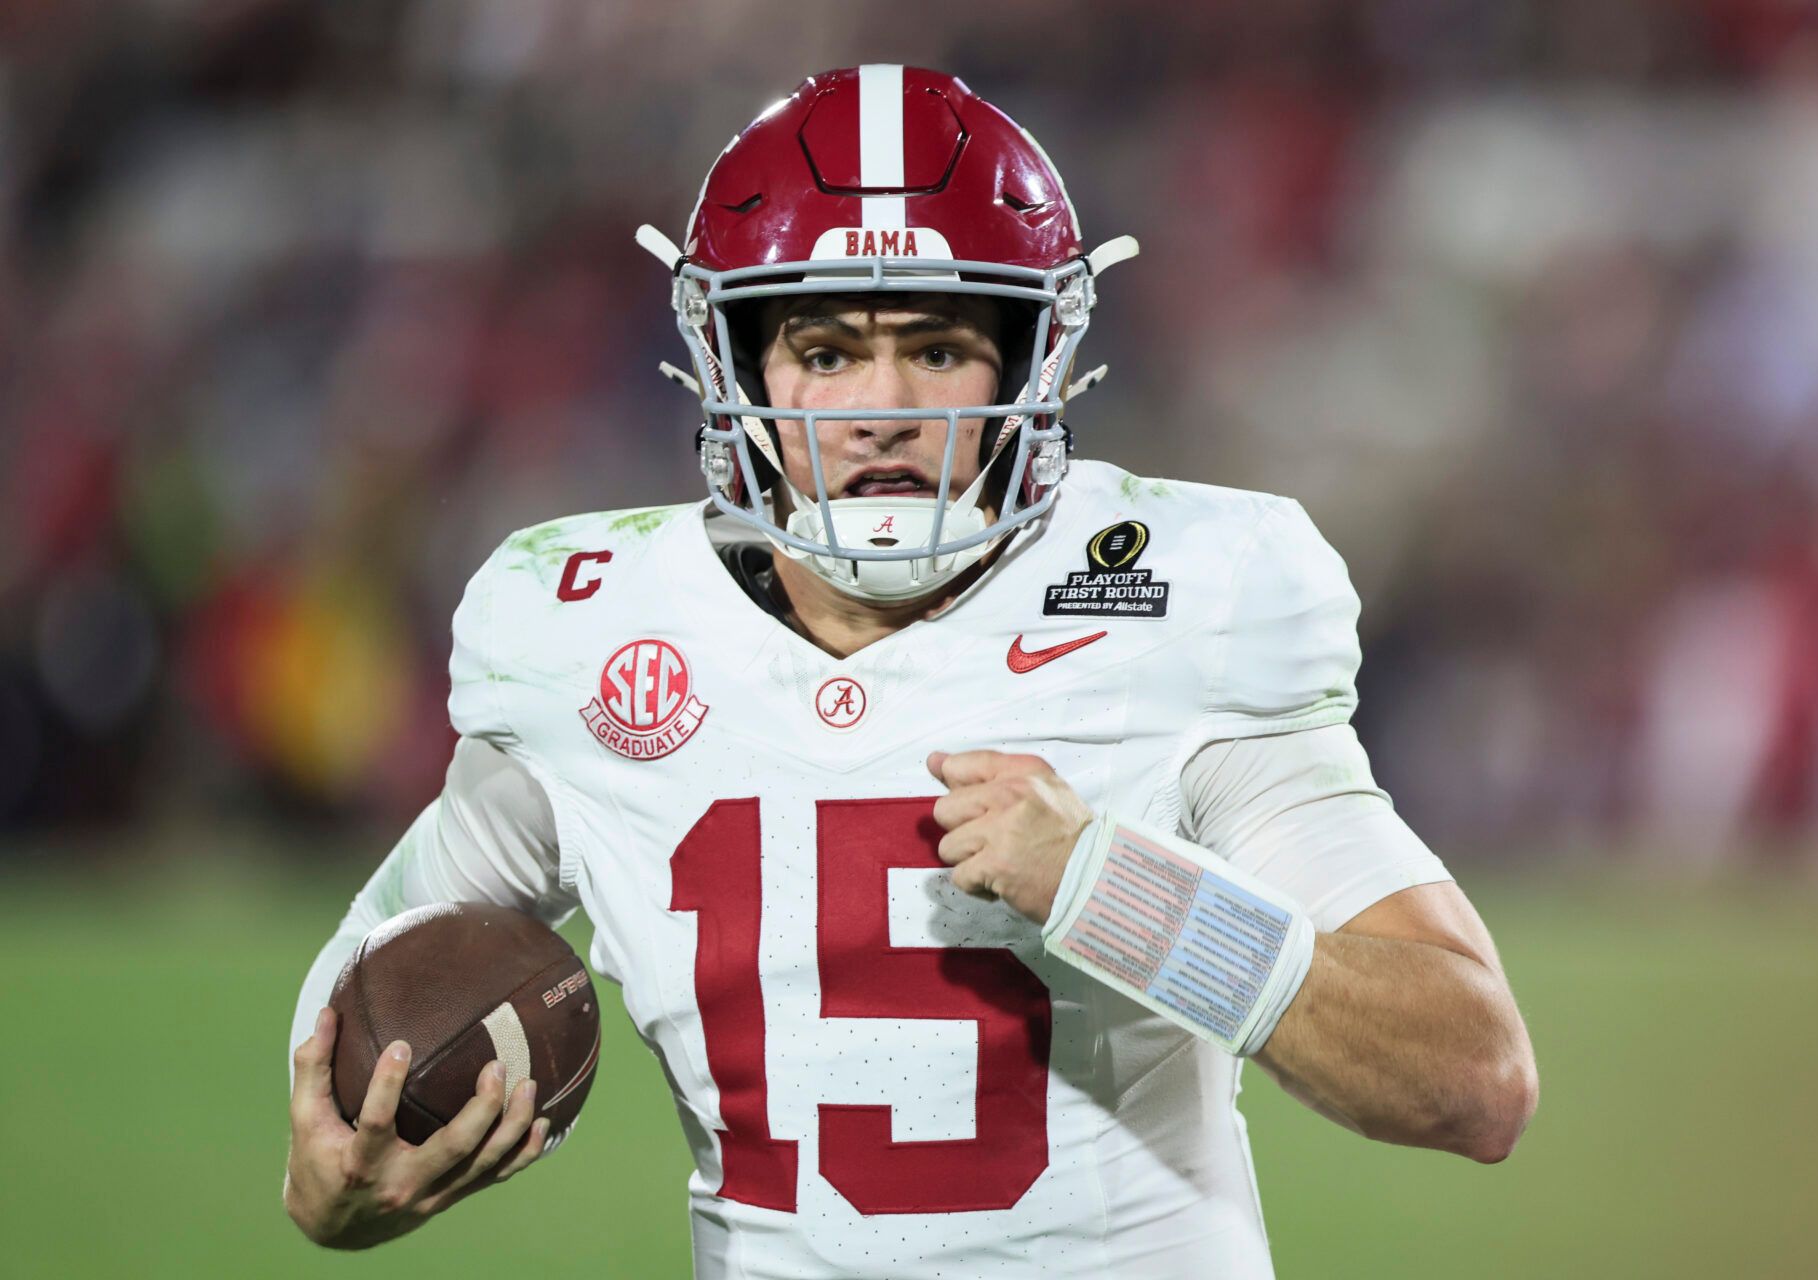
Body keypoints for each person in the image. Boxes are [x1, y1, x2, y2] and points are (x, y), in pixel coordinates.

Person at [283, 65, 1537, 1277]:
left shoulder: (1184, 602)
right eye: (824, 352)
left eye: (938, 349)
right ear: (736, 374)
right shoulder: (583, 633)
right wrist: (338, 1183)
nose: (878, 406)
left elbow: (1471, 1075)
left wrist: (1123, 892)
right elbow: (357, 1015)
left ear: (1031, 362)